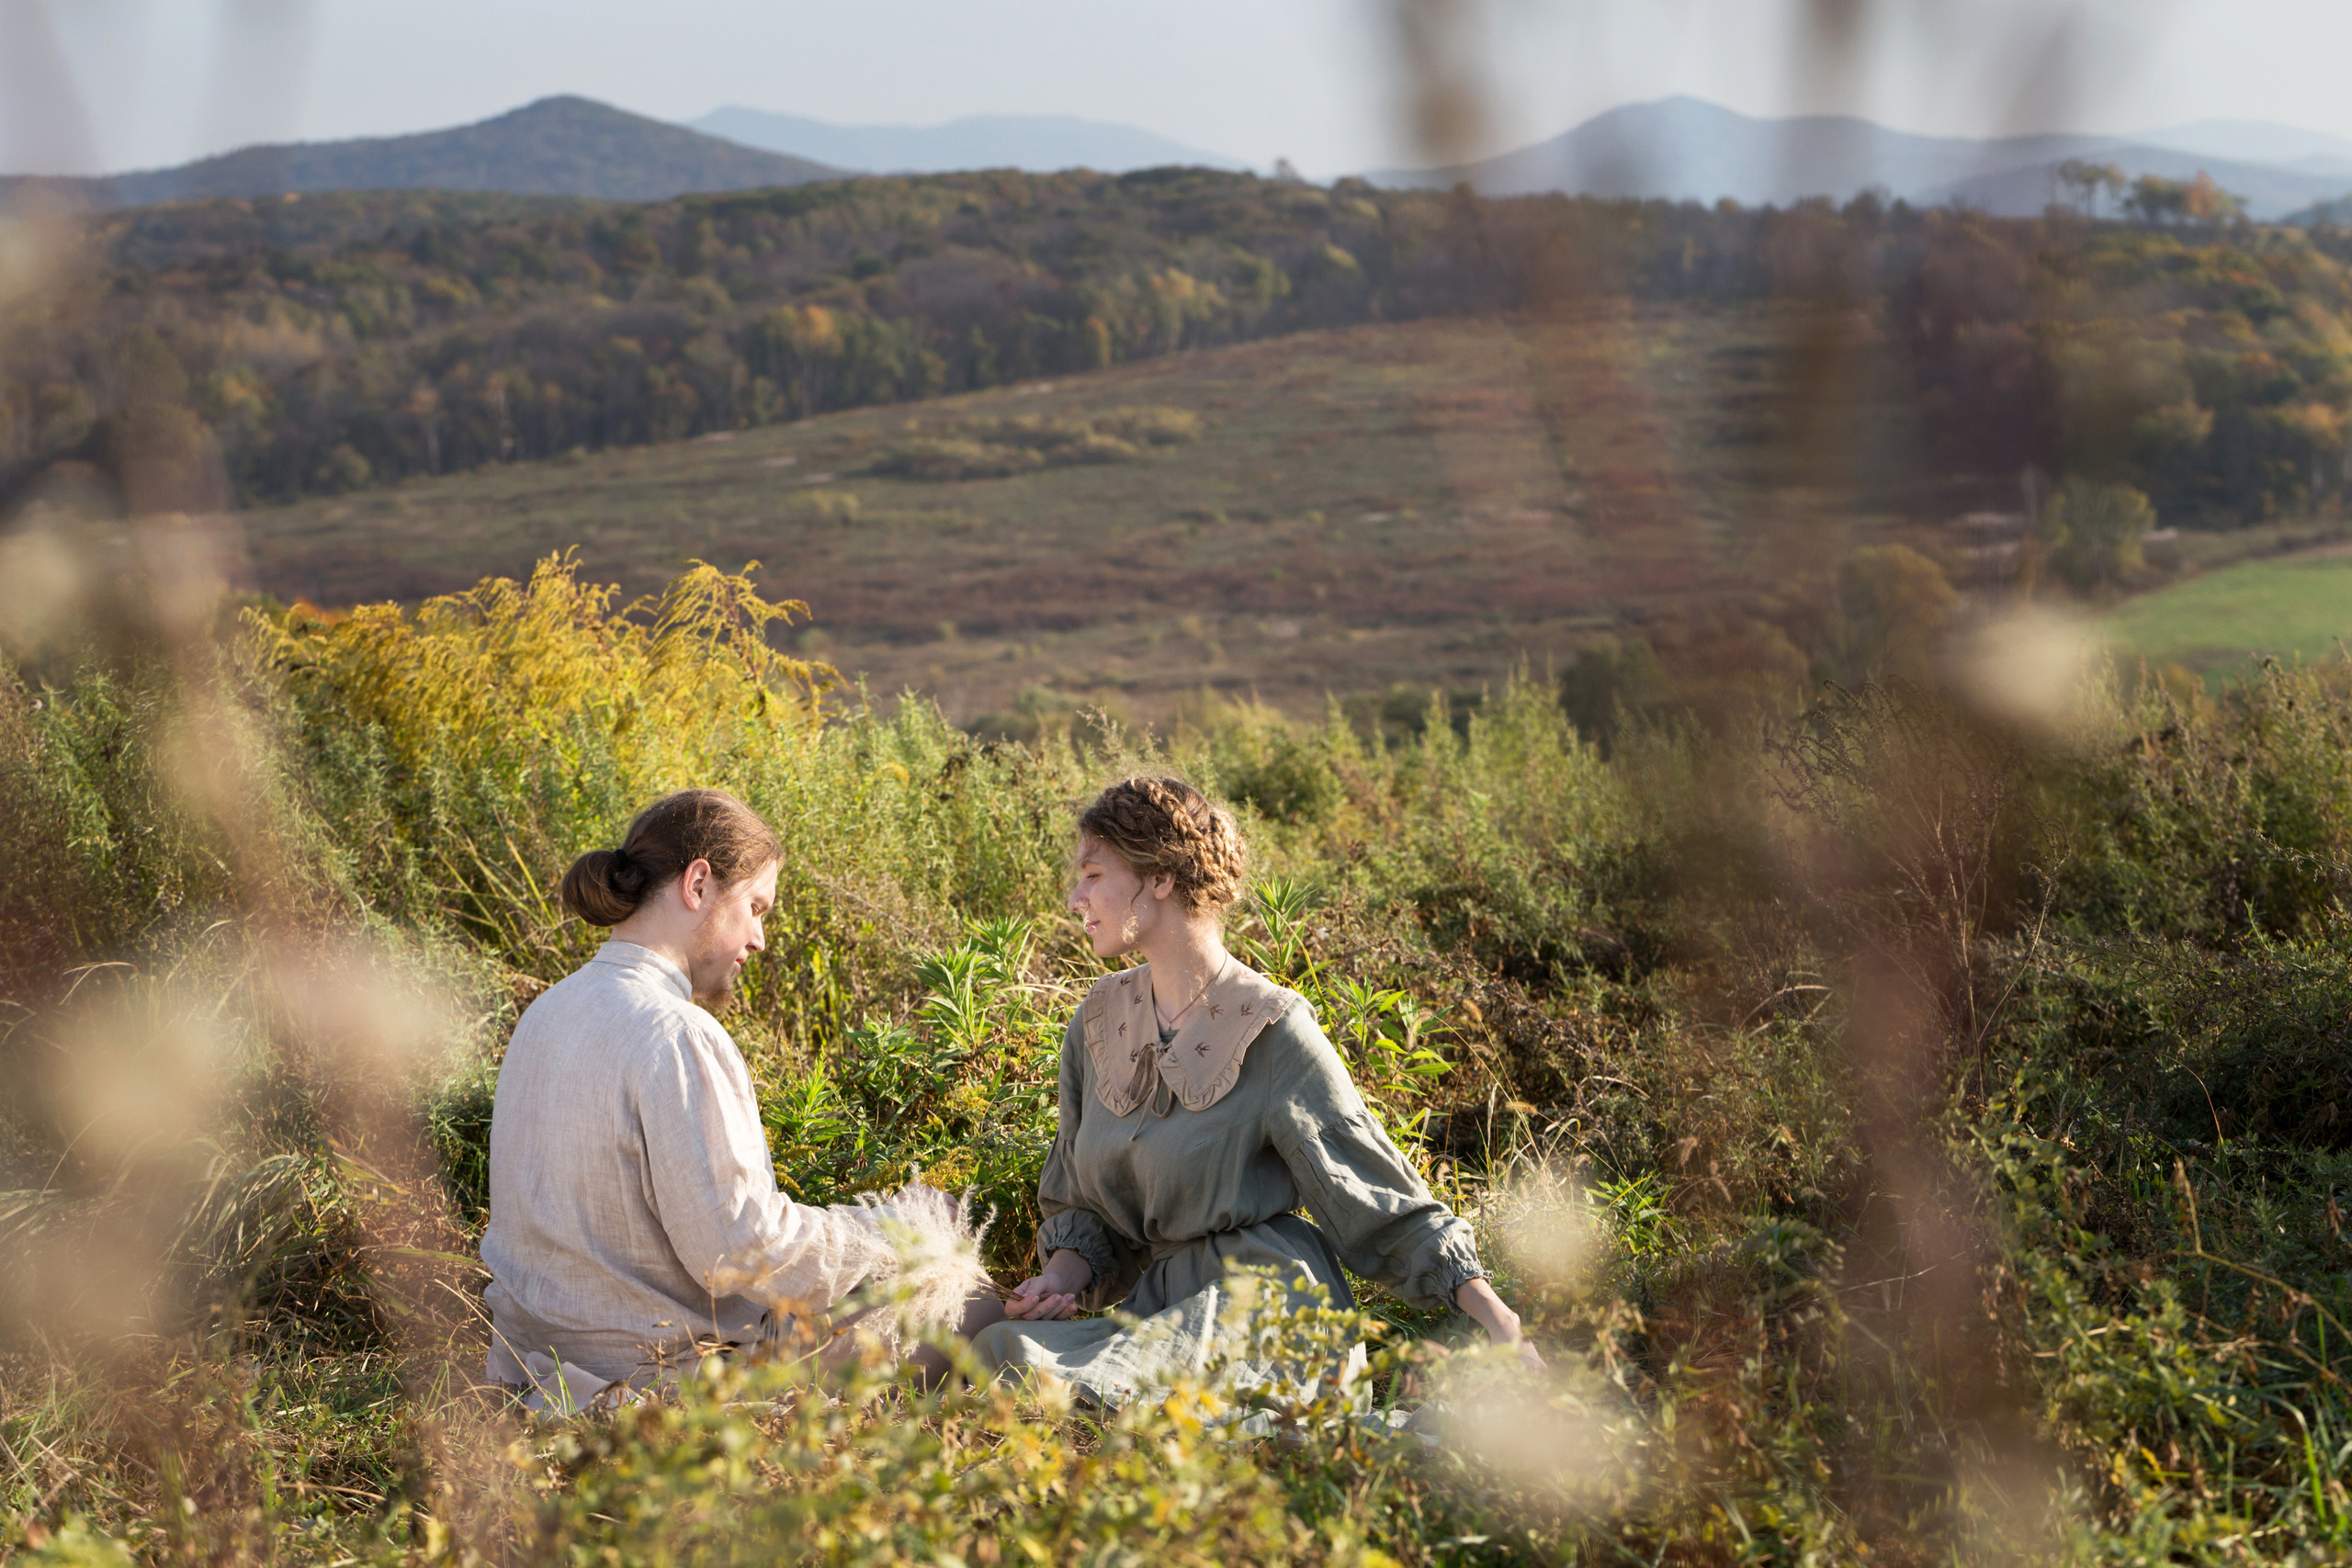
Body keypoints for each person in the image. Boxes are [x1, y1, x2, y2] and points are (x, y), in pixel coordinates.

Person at [970, 776, 1540, 1404]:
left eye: (1093, 874)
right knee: (1002, 1353)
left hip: (1269, 1306)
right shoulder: (1098, 1022)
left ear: (1159, 876)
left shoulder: (1271, 1026)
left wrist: (1498, 1320)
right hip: (1164, 1308)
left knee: (1055, 1384)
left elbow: (1376, 1197)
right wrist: (1058, 1280)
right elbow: (1088, 1213)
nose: (1076, 898)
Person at [481, 788, 1001, 1394]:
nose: (759, 939)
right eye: (756, 907)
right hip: (660, 1383)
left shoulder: (546, 1011)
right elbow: (742, 1249)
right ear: (698, 883)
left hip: (531, 1369)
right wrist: (899, 1227)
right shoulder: (676, 1033)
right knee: (972, 1302)